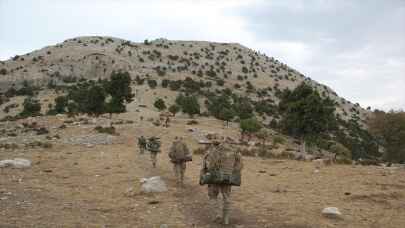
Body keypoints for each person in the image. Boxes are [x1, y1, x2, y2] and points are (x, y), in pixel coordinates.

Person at [199, 137, 243, 225]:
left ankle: (216, 215)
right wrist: (231, 173)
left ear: (213, 144)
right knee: (226, 198)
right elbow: (240, 166)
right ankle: (226, 219)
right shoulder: (234, 152)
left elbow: (205, 166)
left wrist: (204, 176)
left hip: (214, 178)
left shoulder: (210, 152)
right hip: (227, 178)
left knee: (213, 196)